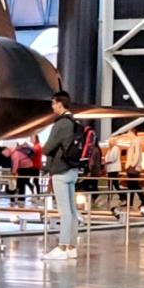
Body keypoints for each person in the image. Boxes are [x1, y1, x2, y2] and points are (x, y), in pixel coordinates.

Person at [42, 91, 80, 261]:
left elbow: (47, 147)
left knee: (64, 212)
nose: (52, 106)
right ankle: (72, 247)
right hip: (73, 170)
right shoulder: (76, 122)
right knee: (72, 210)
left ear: (59, 104)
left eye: (53, 103)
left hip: (60, 170)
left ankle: (63, 246)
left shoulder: (61, 123)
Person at [120, 131, 144, 219]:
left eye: (129, 133)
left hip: (133, 167)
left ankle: (143, 200)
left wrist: (132, 165)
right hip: (133, 167)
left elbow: (137, 155)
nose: (127, 134)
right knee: (132, 185)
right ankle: (132, 202)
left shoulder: (136, 141)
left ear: (132, 133)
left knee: (134, 185)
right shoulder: (134, 141)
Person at [104, 136, 124, 214]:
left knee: (115, 184)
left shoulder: (115, 148)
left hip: (114, 169)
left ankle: (122, 197)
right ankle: (110, 198)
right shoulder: (110, 149)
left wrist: (105, 163)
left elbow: (113, 158)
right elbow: (107, 158)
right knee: (111, 184)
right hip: (110, 169)